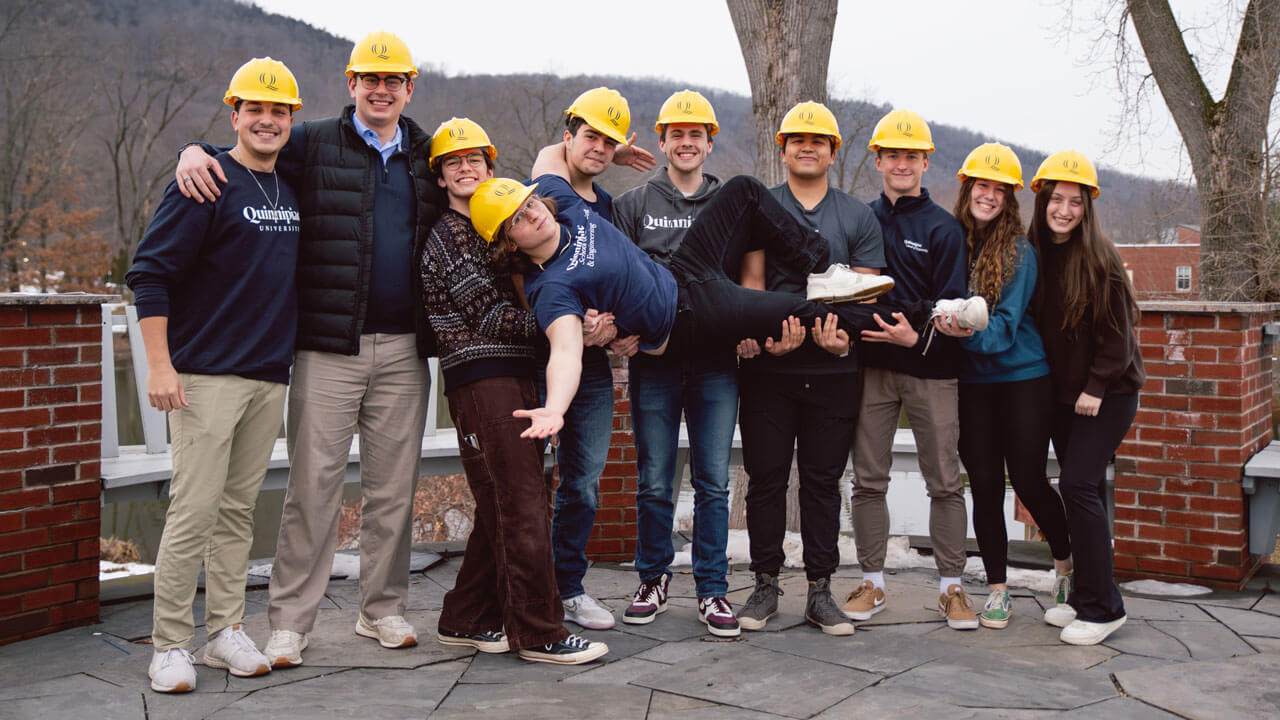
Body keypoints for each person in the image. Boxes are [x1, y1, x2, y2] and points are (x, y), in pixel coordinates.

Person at [174, 31, 441, 665]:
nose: (381, 90)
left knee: (393, 489)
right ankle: (290, 622)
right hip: (326, 348)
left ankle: (383, 610)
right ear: (351, 84)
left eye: (393, 80)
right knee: (312, 488)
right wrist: (193, 149)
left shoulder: (431, 155)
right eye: (369, 80)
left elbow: (496, 184)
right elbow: (248, 149)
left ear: (410, 87)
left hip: (405, 349)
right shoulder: (312, 141)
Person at [471, 174, 933, 442]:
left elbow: (555, 155)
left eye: (528, 201)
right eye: (518, 219)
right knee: (803, 312)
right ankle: (926, 316)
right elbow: (566, 352)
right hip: (689, 319)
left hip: (683, 271)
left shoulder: (563, 202)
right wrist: (554, 408)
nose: (532, 212)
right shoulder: (552, 287)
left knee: (744, 191)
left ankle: (821, 268)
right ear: (509, 244)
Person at [127, 58, 303, 692]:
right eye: (254, 109)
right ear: (234, 114)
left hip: (267, 375)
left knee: (236, 512)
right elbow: (149, 274)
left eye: (279, 111)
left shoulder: (289, 187)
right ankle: (169, 644)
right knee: (193, 511)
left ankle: (224, 632)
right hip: (202, 375)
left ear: (291, 121)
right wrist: (159, 364)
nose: (266, 120)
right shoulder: (202, 181)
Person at [421, 118, 607, 664]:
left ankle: (466, 617)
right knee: (522, 504)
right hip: (483, 381)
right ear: (439, 177)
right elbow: (495, 316)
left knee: (503, 504)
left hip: (517, 375)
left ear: (489, 167)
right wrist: (568, 323)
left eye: (474, 159)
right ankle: (539, 631)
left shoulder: (495, 226)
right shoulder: (449, 237)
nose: (464, 168)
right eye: (452, 162)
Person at [735, 102, 887, 636]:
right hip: (770, 372)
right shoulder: (760, 207)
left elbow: (866, 296)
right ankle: (764, 584)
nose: (807, 146)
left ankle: (820, 589)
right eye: (796, 138)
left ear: (832, 150)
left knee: (822, 483)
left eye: (817, 140)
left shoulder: (857, 216)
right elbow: (751, 287)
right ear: (783, 148)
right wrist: (762, 340)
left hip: (833, 373)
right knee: (766, 480)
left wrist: (842, 341)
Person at [611, 90, 741, 637]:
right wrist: (619, 332)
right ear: (661, 141)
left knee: (713, 481)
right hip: (655, 365)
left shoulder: (730, 204)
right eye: (676, 134)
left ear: (710, 143)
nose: (687, 143)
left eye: (697, 135)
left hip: (716, 364)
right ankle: (653, 578)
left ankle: (712, 589)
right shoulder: (633, 205)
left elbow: (744, 282)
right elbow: (616, 278)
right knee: (655, 481)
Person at [524, 87, 654, 631]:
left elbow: (626, 281)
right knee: (525, 481)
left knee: (583, 481)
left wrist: (621, 329)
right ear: (568, 136)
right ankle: (527, 589)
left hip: (595, 370)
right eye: (591, 137)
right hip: (537, 357)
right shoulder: (540, 196)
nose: (599, 149)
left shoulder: (614, 213)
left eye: (610, 142)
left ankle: (569, 587)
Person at [934, 143, 1073, 630]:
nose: (988, 196)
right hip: (973, 385)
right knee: (986, 487)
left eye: (999, 188)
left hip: (1022, 379)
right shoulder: (952, 239)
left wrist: (957, 333)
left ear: (1011, 196)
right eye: (981, 185)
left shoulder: (1019, 251)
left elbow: (1006, 327)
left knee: (1030, 481)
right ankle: (997, 589)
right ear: (967, 187)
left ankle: (1064, 567)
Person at [848, 109, 978, 630]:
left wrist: (914, 332)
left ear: (926, 161)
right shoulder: (860, 218)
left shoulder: (944, 229)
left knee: (945, 481)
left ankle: (951, 588)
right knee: (868, 480)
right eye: (892, 155)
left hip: (931, 370)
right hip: (872, 369)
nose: (902, 164)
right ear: (877, 159)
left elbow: (951, 306)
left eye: (912, 156)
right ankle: (872, 583)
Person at [1027, 150, 1144, 646]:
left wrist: (1095, 387)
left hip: (1107, 393)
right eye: (1057, 199)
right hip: (1062, 398)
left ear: (1087, 207)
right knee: (1086, 493)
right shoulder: (1034, 253)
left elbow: (1120, 337)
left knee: (1077, 485)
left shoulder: (1101, 258)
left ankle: (1104, 608)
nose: (1065, 210)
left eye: (1076, 202)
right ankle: (1083, 597)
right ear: (1042, 201)